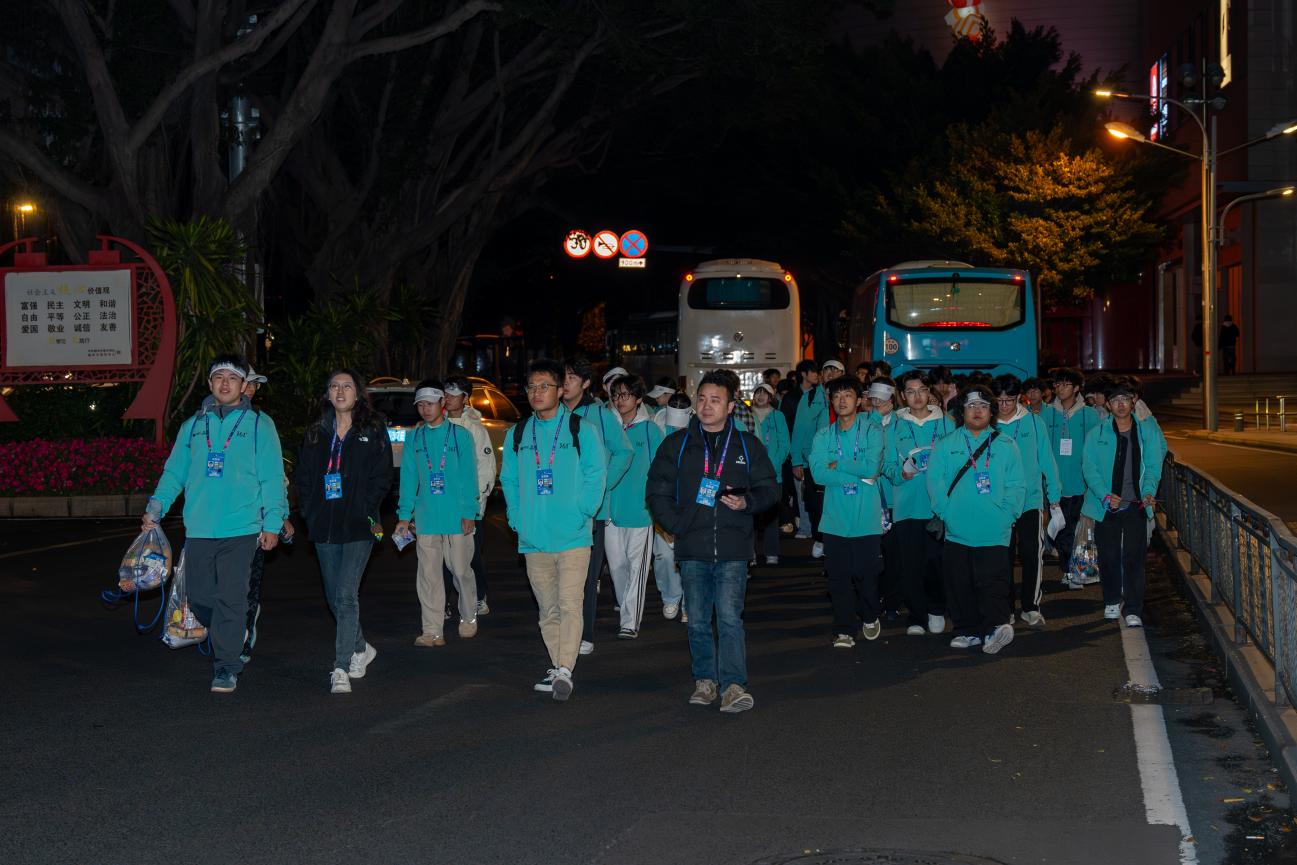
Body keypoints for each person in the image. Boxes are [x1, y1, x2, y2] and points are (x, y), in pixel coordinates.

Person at [143, 354, 287, 693]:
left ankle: (226, 666)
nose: (225, 383)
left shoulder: (259, 424)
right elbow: (174, 473)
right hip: (199, 528)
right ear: (210, 384)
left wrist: (273, 521)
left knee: (231, 598)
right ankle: (232, 628)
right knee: (200, 597)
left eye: (232, 378)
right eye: (219, 377)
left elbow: (271, 476)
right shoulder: (192, 426)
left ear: (243, 386)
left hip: (242, 528)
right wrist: (156, 507)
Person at [647, 370, 778, 713]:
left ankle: (734, 685)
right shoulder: (677, 444)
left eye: (715, 400)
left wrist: (747, 502)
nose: (706, 406)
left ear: (731, 406)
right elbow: (657, 489)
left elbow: (769, 488)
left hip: (734, 547)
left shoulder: (747, 445)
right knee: (698, 619)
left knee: (730, 618)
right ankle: (705, 680)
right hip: (693, 547)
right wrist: (677, 525)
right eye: (702, 399)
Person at [500, 359, 607, 700]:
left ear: (560, 390)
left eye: (544, 386)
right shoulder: (518, 433)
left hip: (573, 535)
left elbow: (596, 473)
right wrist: (517, 518)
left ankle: (564, 669)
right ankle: (560, 667)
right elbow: (509, 480)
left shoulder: (580, 429)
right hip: (533, 538)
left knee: (570, 604)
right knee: (547, 610)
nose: (537, 393)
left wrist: (584, 511)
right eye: (532, 387)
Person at [291, 369, 391, 692]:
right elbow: (303, 477)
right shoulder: (316, 433)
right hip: (324, 525)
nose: (340, 391)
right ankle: (361, 647)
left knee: (346, 595)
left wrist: (365, 506)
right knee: (334, 597)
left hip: (360, 525)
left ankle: (341, 667)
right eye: (334, 386)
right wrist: (309, 513)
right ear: (327, 394)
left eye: (347, 386)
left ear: (358, 393)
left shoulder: (372, 429)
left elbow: (383, 475)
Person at [927, 386, 1025, 654]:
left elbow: (1017, 484)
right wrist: (946, 513)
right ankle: (966, 631)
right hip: (957, 530)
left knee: (993, 584)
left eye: (983, 406)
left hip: (995, 529)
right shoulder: (946, 444)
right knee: (960, 583)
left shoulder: (1006, 444)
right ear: (962, 411)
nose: (977, 411)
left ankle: (994, 629)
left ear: (992, 411)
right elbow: (935, 482)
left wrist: (1007, 515)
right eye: (971, 406)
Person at [395, 381, 480, 649]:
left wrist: (469, 512)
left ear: (442, 403)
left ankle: (469, 615)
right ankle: (432, 630)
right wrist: (404, 515)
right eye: (420, 404)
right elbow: (408, 478)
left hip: (457, 517)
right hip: (426, 517)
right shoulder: (414, 438)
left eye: (430, 403)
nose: (425, 409)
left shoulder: (460, 435)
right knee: (428, 575)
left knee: (461, 570)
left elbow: (469, 476)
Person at [562, 356, 633, 656]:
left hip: (591, 510)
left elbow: (624, 452)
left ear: (586, 383)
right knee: (560, 575)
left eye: (571, 377)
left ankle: (585, 633)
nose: (565, 383)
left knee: (588, 576)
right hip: (557, 509)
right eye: (562, 377)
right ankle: (563, 631)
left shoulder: (601, 415)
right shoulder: (552, 414)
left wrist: (603, 487)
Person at [809, 376, 886, 648]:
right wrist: (855, 474)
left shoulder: (872, 431)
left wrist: (838, 464)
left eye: (848, 395)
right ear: (831, 401)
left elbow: (872, 468)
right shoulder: (823, 435)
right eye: (837, 396)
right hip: (834, 520)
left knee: (867, 576)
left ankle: (870, 615)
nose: (842, 401)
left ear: (859, 400)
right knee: (838, 579)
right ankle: (844, 629)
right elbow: (818, 474)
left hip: (867, 519)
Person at [1081, 379, 1162, 627]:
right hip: (1106, 505)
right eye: (1115, 400)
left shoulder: (1146, 432)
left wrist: (1148, 491)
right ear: (1108, 404)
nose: (1121, 404)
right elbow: (1089, 468)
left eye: (1125, 399)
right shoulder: (1097, 433)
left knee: (1134, 556)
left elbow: (1153, 465)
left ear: (1133, 401)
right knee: (1109, 555)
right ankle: (1112, 600)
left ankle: (1134, 607)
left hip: (1137, 503)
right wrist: (1105, 494)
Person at [882, 370, 953, 636]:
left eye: (922, 390)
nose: (917, 396)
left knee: (937, 562)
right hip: (907, 505)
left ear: (929, 391)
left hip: (939, 506)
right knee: (910, 564)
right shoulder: (894, 425)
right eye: (910, 392)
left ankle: (937, 609)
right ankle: (916, 615)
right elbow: (886, 464)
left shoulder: (947, 423)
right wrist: (900, 473)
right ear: (902, 395)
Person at [990, 375, 1060, 627]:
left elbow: (1047, 460)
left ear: (1019, 398)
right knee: (1002, 556)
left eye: (1009, 400)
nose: (1004, 405)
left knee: (1032, 553)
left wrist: (1054, 497)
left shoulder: (1034, 422)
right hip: (999, 501)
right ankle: (1006, 607)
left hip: (1030, 499)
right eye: (999, 400)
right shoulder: (988, 423)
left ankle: (1030, 606)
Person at [237, 366, 293, 664]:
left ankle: (242, 638)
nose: (250, 389)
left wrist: (280, 515)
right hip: (215, 523)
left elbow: (275, 475)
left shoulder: (261, 423)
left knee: (248, 583)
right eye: (246, 382)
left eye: (253, 385)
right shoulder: (204, 421)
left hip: (255, 522)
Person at [605, 374, 664, 638]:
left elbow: (661, 469)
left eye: (626, 395)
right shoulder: (608, 426)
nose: (620, 400)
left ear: (639, 399)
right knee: (617, 566)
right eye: (616, 395)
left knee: (637, 567)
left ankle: (630, 621)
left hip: (640, 510)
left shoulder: (651, 430)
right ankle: (625, 608)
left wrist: (656, 503)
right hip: (609, 510)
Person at [442, 374, 496, 616]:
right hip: (442, 502)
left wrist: (477, 503)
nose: (448, 398)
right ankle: (443, 602)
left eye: (454, 394)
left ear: (465, 398)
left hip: (469, 504)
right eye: (446, 393)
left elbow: (486, 468)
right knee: (442, 557)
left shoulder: (475, 429)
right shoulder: (435, 424)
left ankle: (479, 596)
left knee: (471, 556)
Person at [1041, 366, 1101, 586]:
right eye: (1057, 384)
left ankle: (1078, 570)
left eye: (1065, 384)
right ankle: (1068, 569)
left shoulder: (1090, 415)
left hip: (1082, 484)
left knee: (1078, 529)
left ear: (1076, 388)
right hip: (1054, 484)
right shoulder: (1046, 414)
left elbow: (1096, 451)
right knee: (1061, 529)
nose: (1060, 388)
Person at [792, 359, 844, 558]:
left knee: (836, 504)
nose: (830, 373)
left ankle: (832, 544)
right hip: (813, 461)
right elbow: (799, 429)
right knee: (815, 504)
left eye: (835, 370)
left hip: (841, 462)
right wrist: (797, 460)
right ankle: (820, 537)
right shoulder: (810, 397)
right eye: (827, 369)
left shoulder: (849, 396)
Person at [652, 393, 693, 620]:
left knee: (689, 555)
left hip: (689, 502)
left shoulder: (699, 428)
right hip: (665, 500)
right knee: (664, 556)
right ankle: (670, 596)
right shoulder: (655, 426)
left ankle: (690, 602)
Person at [751, 382, 790, 565]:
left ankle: (771, 552)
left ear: (771, 396)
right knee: (750, 514)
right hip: (751, 473)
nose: (760, 396)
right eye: (757, 392)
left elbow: (785, 444)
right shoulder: (748, 415)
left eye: (764, 393)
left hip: (774, 474)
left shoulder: (778, 416)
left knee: (771, 515)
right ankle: (750, 553)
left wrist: (774, 463)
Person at [780, 364, 811, 537]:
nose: (818, 375)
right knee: (801, 492)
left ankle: (818, 530)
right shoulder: (792, 397)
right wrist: (794, 456)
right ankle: (805, 527)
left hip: (815, 451)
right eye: (814, 371)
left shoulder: (818, 394)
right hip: (798, 451)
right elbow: (789, 428)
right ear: (804, 374)